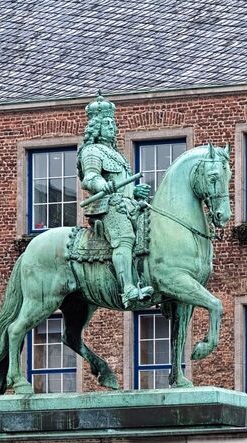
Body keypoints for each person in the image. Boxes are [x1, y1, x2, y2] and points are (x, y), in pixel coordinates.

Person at [78, 94, 152, 309]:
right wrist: (102, 185)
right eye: (107, 123)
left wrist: (135, 191)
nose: (112, 127)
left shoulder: (116, 154)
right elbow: (89, 177)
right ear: (96, 126)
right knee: (125, 238)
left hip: (129, 204)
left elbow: (123, 185)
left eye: (113, 123)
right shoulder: (91, 151)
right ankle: (128, 289)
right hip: (108, 206)